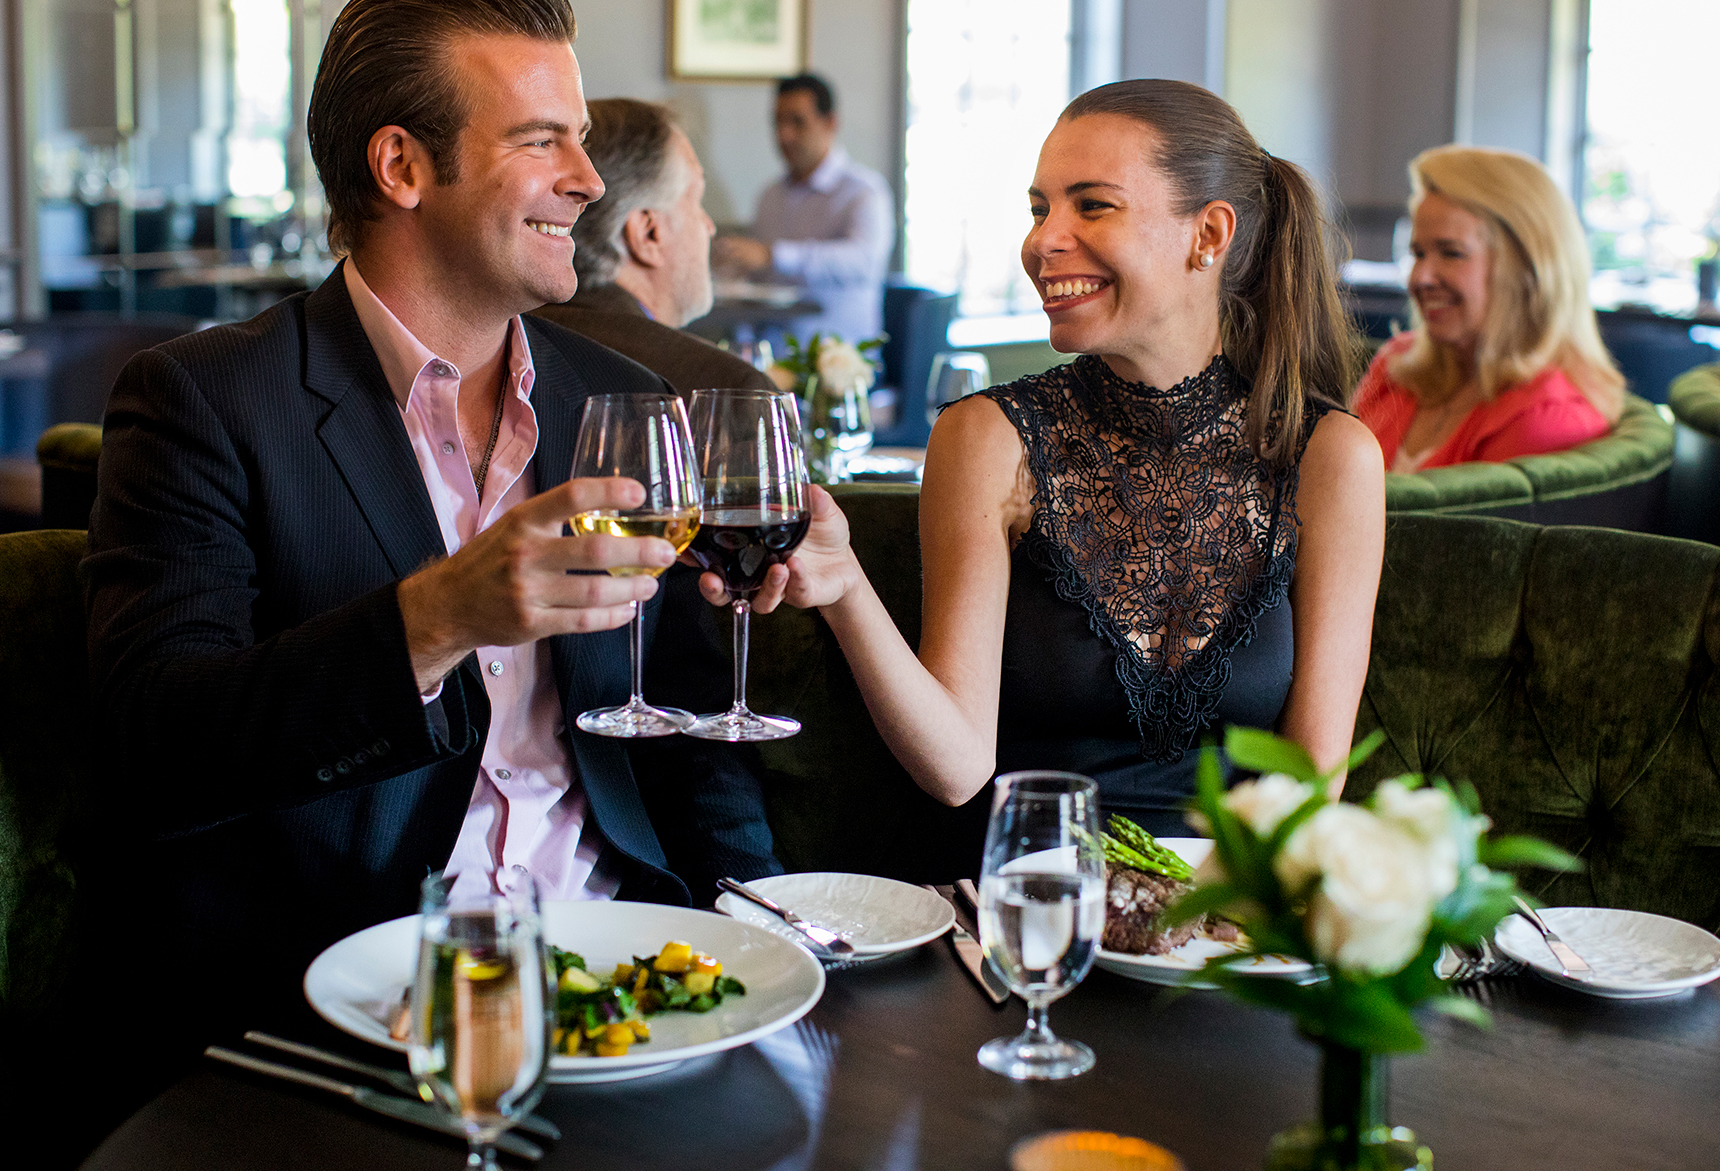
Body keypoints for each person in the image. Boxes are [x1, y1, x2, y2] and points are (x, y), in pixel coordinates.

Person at [81, 0, 780, 1034]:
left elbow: (685, 740)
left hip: (622, 970)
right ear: (402, 164)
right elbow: (154, 746)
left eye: (583, 137)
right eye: (542, 139)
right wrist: (436, 617)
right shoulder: (203, 401)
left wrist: (760, 937)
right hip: (357, 995)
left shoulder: (624, 402)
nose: (589, 179)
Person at [729, 79, 1386, 833]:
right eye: (1041, 208)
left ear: (1208, 236)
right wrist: (846, 589)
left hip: (1231, 917)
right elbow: (956, 770)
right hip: (1036, 902)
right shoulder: (990, 437)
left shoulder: (1332, 458)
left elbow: (1310, 792)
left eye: (1092, 205)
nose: (1042, 241)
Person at [1353, 145, 1625, 472]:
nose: (1419, 278)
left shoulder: (1548, 419)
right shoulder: (1397, 364)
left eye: (1451, 253)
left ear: (1527, 268)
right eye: (1418, 253)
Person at [533, 97, 777, 395]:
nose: (709, 227)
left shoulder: (512, 347)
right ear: (648, 234)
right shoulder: (728, 390)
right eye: (696, 201)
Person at [713, 73, 895, 343]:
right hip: (769, 357)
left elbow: (864, 262)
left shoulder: (864, 191)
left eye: (797, 122)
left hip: (836, 361)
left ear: (830, 123)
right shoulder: (770, 195)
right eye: (777, 122)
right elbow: (762, 277)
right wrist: (736, 267)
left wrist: (773, 255)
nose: (783, 135)